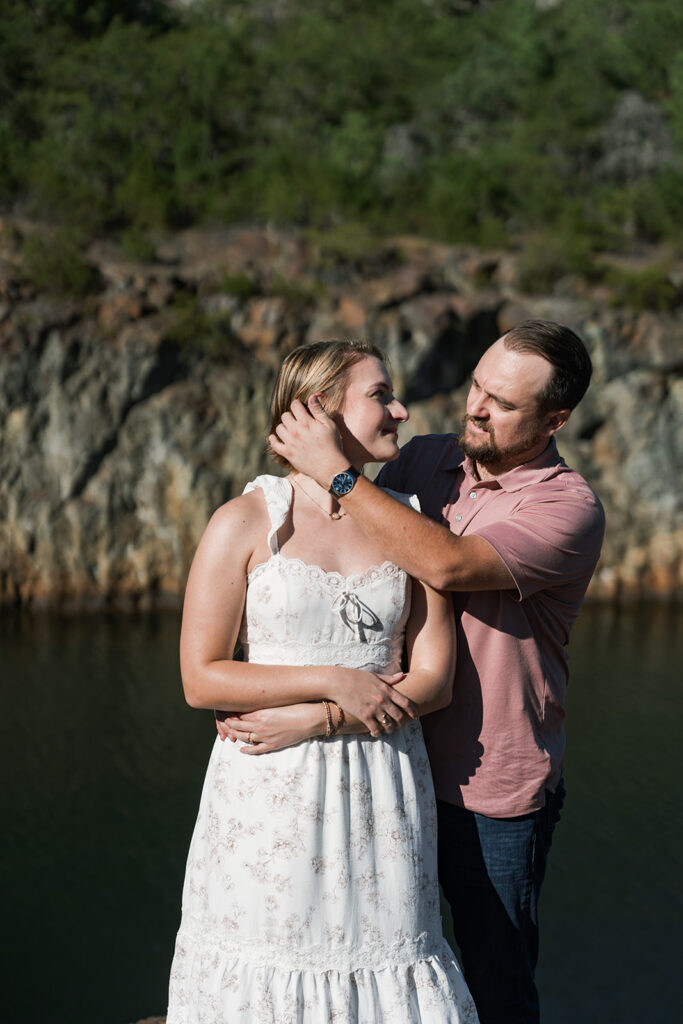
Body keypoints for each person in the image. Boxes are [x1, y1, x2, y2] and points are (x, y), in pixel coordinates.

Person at [268, 320, 606, 1024]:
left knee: (494, 982)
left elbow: (446, 564)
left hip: (491, 789)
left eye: (503, 403)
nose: (475, 407)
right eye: (477, 386)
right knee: (385, 963)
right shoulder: (420, 461)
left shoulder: (565, 507)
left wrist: (338, 471)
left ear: (555, 420)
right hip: (386, 762)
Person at [167, 341, 479, 1023]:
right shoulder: (247, 521)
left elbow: (434, 682)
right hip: (268, 789)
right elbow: (200, 678)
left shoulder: (410, 526)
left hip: (384, 785)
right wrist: (337, 680)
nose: (400, 409)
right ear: (318, 410)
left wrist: (326, 715)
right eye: (380, 395)